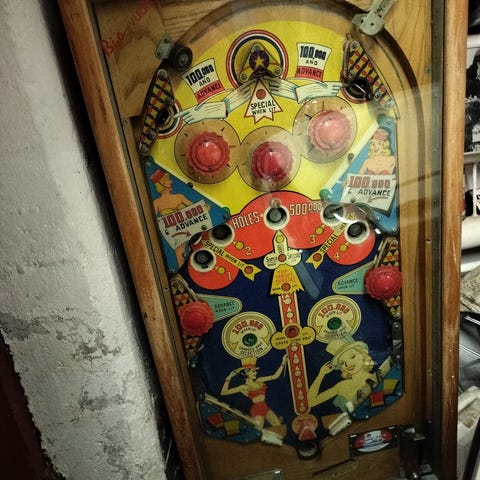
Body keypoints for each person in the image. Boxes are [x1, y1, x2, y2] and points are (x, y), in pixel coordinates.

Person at [307, 338, 388, 413]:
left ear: (363, 355)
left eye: (352, 356)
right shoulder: (341, 386)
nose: (347, 364)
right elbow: (311, 402)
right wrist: (321, 374)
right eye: (342, 362)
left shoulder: (378, 378)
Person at [221, 355, 287, 428]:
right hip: (256, 411)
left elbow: (275, 376)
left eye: (255, 371)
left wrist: (283, 362)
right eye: (253, 371)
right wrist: (229, 377)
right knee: (258, 430)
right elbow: (223, 392)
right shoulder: (243, 387)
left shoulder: (259, 380)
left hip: (266, 408)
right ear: (246, 373)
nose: (256, 373)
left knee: (278, 426)